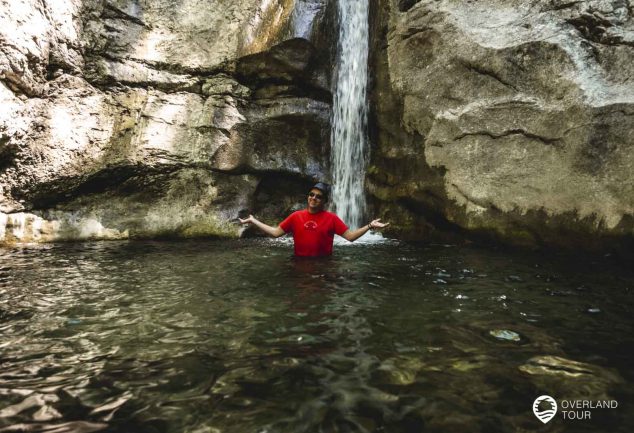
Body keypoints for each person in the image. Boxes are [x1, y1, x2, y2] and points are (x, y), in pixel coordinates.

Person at [238, 182, 389, 257]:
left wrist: (370, 225)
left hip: (324, 266)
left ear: (325, 201)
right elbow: (276, 233)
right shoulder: (296, 216)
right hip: (298, 263)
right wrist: (254, 221)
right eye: (311, 194)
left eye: (319, 196)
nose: (314, 198)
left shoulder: (332, 219)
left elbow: (350, 237)